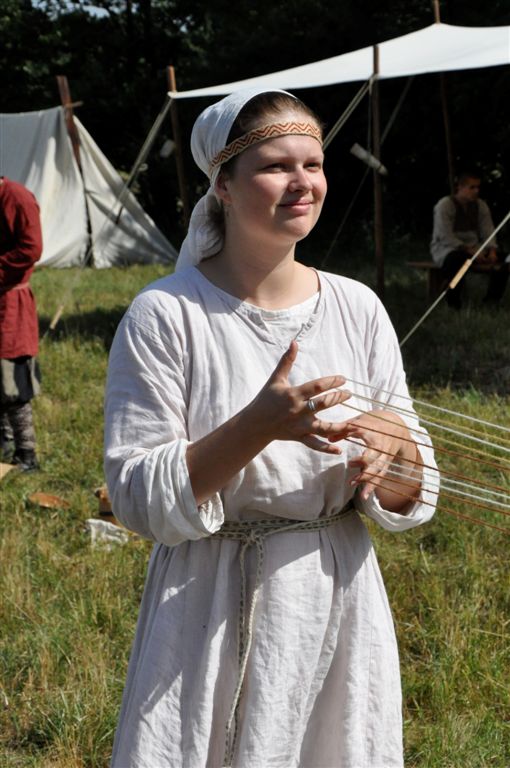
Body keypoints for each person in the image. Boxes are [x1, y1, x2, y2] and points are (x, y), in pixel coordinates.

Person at [104, 88, 438, 768]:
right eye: (276, 166)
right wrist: (255, 427)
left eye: (313, 164)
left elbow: (409, 490)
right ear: (223, 185)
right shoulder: (166, 314)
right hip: (205, 603)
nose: (302, 182)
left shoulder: (358, 307)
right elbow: (137, 493)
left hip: (333, 591)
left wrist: (397, 451)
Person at [0, 176, 43, 471]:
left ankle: (27, 454)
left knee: (12, 382)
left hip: (10, 303)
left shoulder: (17, 197)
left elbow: (31, 248)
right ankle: (3, 443)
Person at [430, 170, 509, 309]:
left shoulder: (480, 205)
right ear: (460, 187)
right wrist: (469, 251)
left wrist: (492, 250)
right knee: (457, 261)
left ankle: (491, 300)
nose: (476, 191)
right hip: (448, 249)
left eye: (477, 187)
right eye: (472, 187)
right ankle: (453, 301)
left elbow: (488, 230)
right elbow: (445, 235)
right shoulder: (445, 205)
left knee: (506, 259)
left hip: (476, 248)